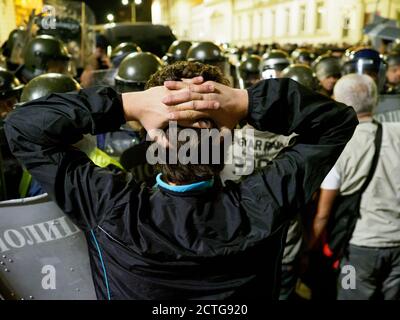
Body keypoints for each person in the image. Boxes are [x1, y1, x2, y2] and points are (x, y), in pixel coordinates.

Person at [4, 61, 357, 300]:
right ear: (226, 138)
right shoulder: (264, 204)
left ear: (152, 137)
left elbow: (23, 127)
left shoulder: (112, 208)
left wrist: (128, 104)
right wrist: (246, 101)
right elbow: (336, 122)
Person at [313, 74, 400, 300]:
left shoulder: (339, 145)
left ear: (338, 103)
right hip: (398, 246)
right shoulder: (397, 133)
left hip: (357, 251)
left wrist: (307, 248)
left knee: (350, 293)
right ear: (376, 100)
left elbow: (323, 213)